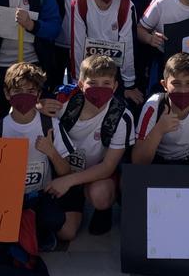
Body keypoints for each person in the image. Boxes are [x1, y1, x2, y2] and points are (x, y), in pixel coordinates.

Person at [47, 55, 134, 241]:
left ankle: (103, 210)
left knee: (101, 195)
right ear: (80, 84)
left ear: (116, 86)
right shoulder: (64, 100)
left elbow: (108, 166)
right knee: (66, 233)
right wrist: (39, 105)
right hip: (60, 168)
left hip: (95, 172)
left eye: (106, 83)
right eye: (92, 83)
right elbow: (35, 113)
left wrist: (69, 181)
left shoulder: (122, 115)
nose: (99, 89)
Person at [0, 62, 73, 249]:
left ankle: (41, 231)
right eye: (17, 91)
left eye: (31, 91)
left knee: (55, 219)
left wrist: (51, 151)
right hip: (8, 198)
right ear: (7, 94)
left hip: (40, 195)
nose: (24, 96)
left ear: (38, 95)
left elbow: (66, 172)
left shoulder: (50, 125)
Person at [69, 0, 142, 105]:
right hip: (89, 72)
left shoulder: (126, 6)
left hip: (116, 73)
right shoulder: (80, 3)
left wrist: (129, 85)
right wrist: (78, 81)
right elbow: (77, 44)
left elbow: (128, 47)